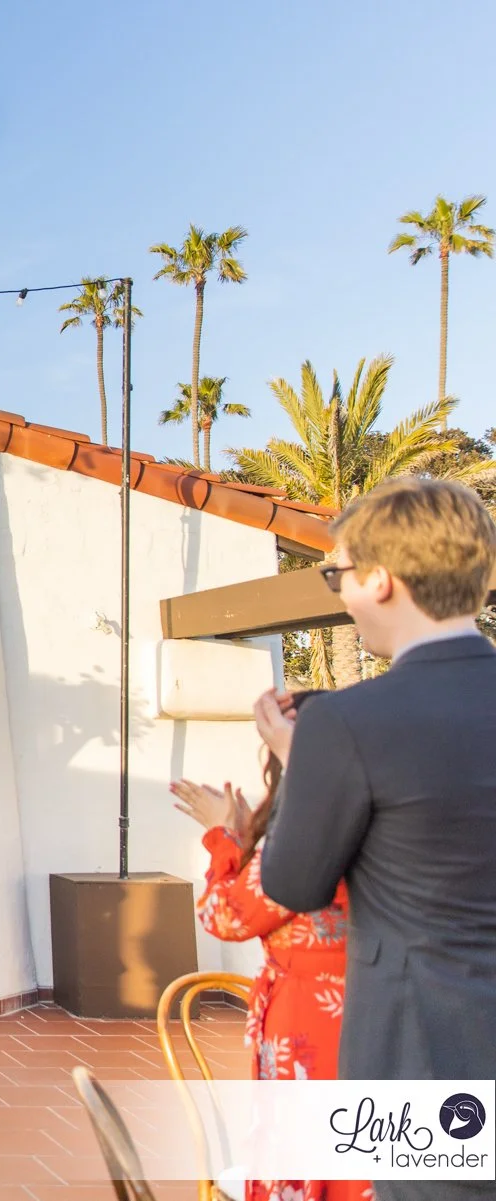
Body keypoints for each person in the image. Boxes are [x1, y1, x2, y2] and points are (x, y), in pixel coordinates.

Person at [256, 478, 496, 1201]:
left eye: (339, 574)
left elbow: (292, 883)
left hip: (421, 1053)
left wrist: (305, 765)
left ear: (381, 578)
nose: (342, 593)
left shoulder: (347, 723)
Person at [170, 699, 371, 1201]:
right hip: (367, 1005)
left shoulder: (302, 835)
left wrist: (223, 838)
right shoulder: (371, 818)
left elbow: (227, 916)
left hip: (312, 1017)